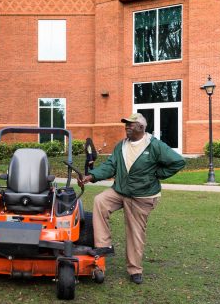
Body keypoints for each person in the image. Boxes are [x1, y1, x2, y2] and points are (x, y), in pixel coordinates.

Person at [78, 113, 185, 284]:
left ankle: (135, 270)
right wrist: (91, 176)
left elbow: (178, 162)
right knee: (100, 201)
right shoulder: (121, 145)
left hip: (142, 196)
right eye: (126, 124)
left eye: (131, 124)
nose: (127, 126)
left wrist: (157, 174)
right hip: (121, 191)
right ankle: (103, 246)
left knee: (135, 232)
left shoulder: (155, 146)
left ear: (141, 128)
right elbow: (110, 165)